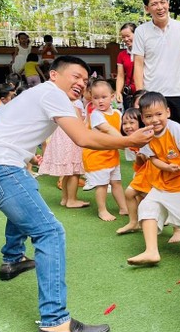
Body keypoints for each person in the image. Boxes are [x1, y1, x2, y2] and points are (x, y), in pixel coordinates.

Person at [0, 55, 154, 332]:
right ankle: (55, 323)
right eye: (75, 76)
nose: (81, 83)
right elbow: (84, 138)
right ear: (53, 75)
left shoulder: (40, 95)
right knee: (49, 231)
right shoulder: (52, 93)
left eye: (85, 81)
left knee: (26, 193)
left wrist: (28, 157)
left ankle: (12, 260)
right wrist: (129, 141)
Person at [126, 91, 180, 271]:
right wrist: (166, 167)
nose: (155, 119)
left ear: (167, 112)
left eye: (159, 114)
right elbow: (152, 158)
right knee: (146, 207)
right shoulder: (145, 134)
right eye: (148, 116)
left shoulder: (174, 128)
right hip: (163, 182)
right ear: (143, 118)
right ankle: (151, 250)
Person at [132, 0, 180, 128]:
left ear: (168, 3)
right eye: (154, 4)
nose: (160, 7)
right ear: (147, 8)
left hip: (178, 93)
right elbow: (138, 65)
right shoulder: (141, 31)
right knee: (152, 139)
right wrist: (140, 94)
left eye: (163, 2)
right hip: (151, 94)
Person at [82, 79, 127, 221]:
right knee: (101, 185)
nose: (100, 101)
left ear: (112, 96)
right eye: (95, 98)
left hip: (112, 155)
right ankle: (102, 210)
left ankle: (124, 207)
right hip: (97, 156)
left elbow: (123, 129)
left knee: (116, 182)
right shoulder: (96, 114)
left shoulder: (117, 114)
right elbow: (106, 129)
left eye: (103, 97)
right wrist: (125, 142)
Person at [38, 91, 89, 209]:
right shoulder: (74, 108)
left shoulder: (56, 109)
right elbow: (80, 125)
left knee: (67, 172)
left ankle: (65, 198)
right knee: (74, 172)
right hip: (71, 140)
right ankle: (72, 200)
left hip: (60, 140)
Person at [116, 107, 154, 235]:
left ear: (141, 123)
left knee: (164, 200)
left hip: (155, 173)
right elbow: (139, 163)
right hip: (142, 173)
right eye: (125, 123)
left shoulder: (147, 138)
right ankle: (134, 222)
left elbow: (152, 160)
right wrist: (139, 158)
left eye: (132, 122)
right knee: (132, 194)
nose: (127, 126)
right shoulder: (131, 141)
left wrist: (142, 157)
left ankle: (177, 230)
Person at [115, 23, 137, 110]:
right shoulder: (121, 55)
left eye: (128, 36)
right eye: (123, 37)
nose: (126, 39)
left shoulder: (146, 52)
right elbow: (120, 75)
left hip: (145, 92)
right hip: (129, 94)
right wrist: (118, 92)